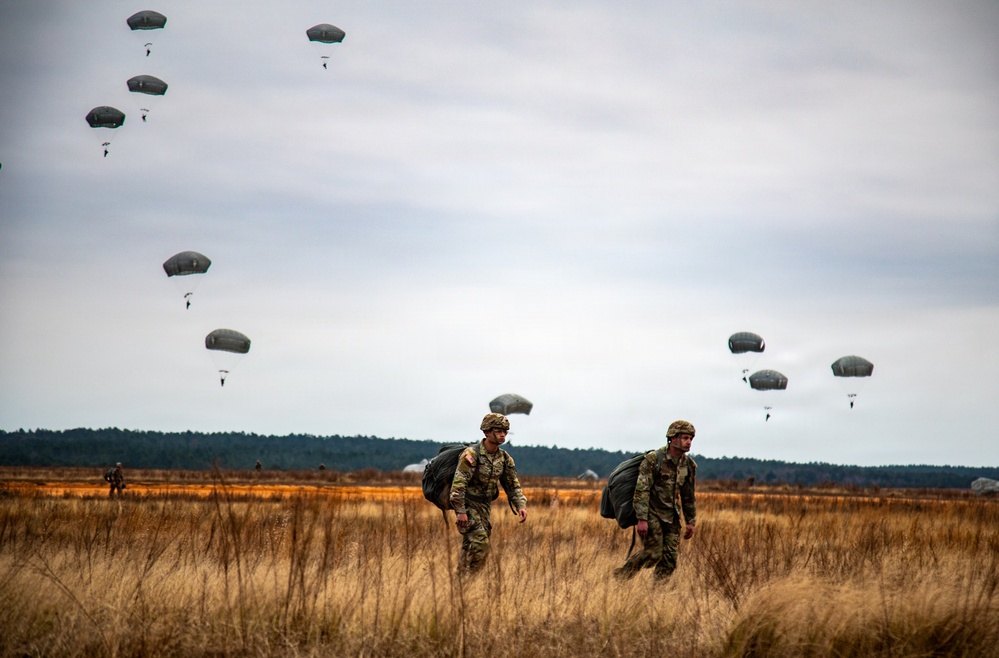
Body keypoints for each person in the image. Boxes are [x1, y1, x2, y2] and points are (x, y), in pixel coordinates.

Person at [615, 419, 697, 582]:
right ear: (673, 438)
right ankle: (621, 577)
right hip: (651, 514)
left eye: (691, 439)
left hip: (672, 517)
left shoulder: (688, 465)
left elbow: (688, 495)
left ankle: (658, 594)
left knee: (670, 560)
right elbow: (642, 490)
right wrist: (642, 519)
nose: (689, 442)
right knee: (652, 554)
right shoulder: (654, 459)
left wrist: (690, 521)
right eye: (685, 438)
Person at [449, 412, 528, 574]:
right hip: (468, 504)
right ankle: (470, 579)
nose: (502, 434)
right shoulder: (471, 455)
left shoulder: (504, 458)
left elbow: (513, 485)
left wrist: (520, 505)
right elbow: (459, 484)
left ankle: (461, 582)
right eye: (498, 430)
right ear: (486, 432)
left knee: (470, 545)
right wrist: (461, 511)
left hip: (484, 507)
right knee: (480, 543)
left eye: (505, 431)